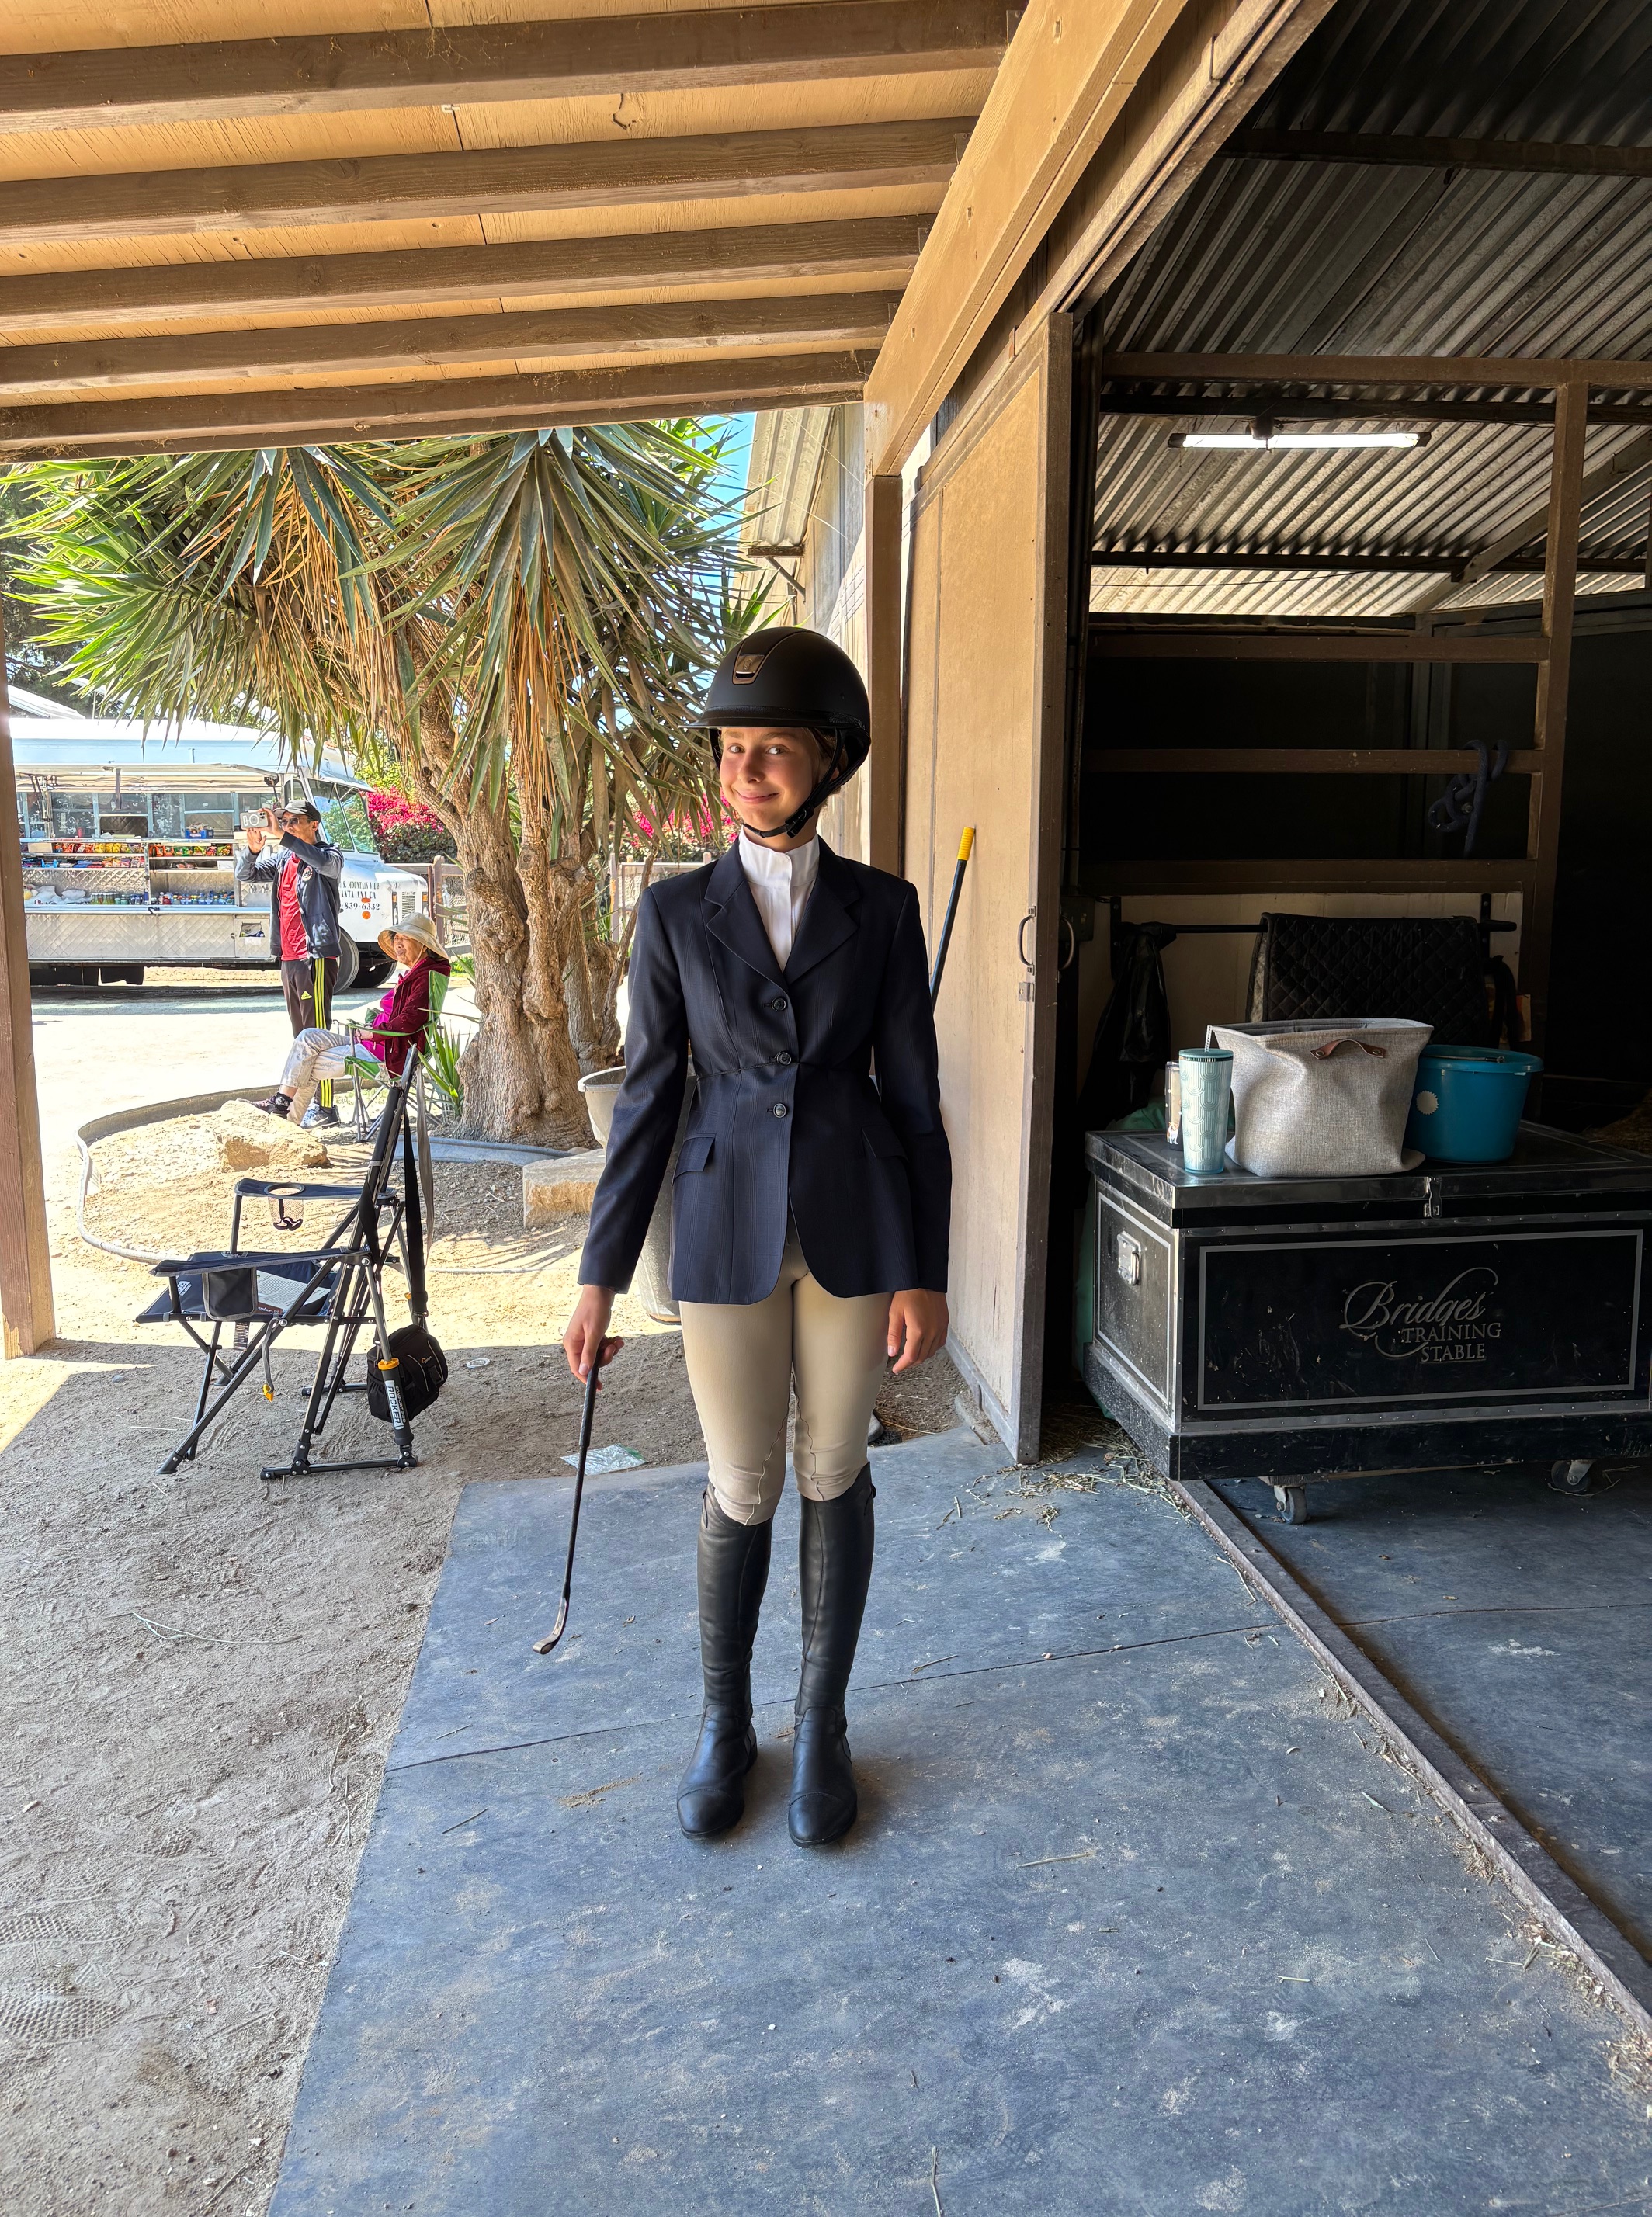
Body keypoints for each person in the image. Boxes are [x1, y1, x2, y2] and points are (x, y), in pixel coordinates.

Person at [563, 627, 951, 1851]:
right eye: (733, 750)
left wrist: (925, 1268)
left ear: (828, 761)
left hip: (855, 1225)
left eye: (774, 750)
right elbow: (647, 1101)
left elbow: (916, 1100)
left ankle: (821, 1723)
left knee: (834, 1466)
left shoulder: (884, 910)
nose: (748, 770)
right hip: (723, 1223)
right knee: (743, 1480)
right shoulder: (675, 911)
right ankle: (726, 1724)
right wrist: (598, 1276)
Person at [253, 912, 449, 1123]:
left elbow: (410, 1020)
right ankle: (281, 1104)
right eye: (397, 938)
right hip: (373, 1042)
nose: (398, 943)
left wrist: (373, 1034)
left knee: (308, 1064)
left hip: (385, 1052)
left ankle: (285, 1120)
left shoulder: (424, 976)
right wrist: (370, 1027)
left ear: (423, 944)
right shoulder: (418, 972)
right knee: (308, 1036)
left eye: (406, 938)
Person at [236, 800, 345, 1126]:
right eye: (284, 821)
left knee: (317, 1032)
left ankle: (327, 1108)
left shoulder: (329, 855)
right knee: (301, 1037)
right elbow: (246, 874)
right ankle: (297, 1105)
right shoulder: (284, 858)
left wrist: (282, 837)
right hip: (289, 957)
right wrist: (253, 850)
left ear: (314, 824)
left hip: (316, 955)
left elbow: (324, 864)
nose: (287, 826)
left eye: (294, 821)